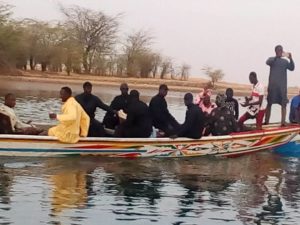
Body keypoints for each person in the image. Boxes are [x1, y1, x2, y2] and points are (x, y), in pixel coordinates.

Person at [265, 45, 295, 126]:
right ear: (275, 51)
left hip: (282, 87)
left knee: (283, 104)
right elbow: (267, 62)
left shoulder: (285, 62)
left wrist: (290, 58)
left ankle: (283, 122)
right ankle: (266, 122)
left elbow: (292, 68)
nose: (280, 51)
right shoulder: (272, 60)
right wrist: (276, 57)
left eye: (281, 50)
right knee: (269, 103)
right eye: (278, 50)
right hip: (272, 87)